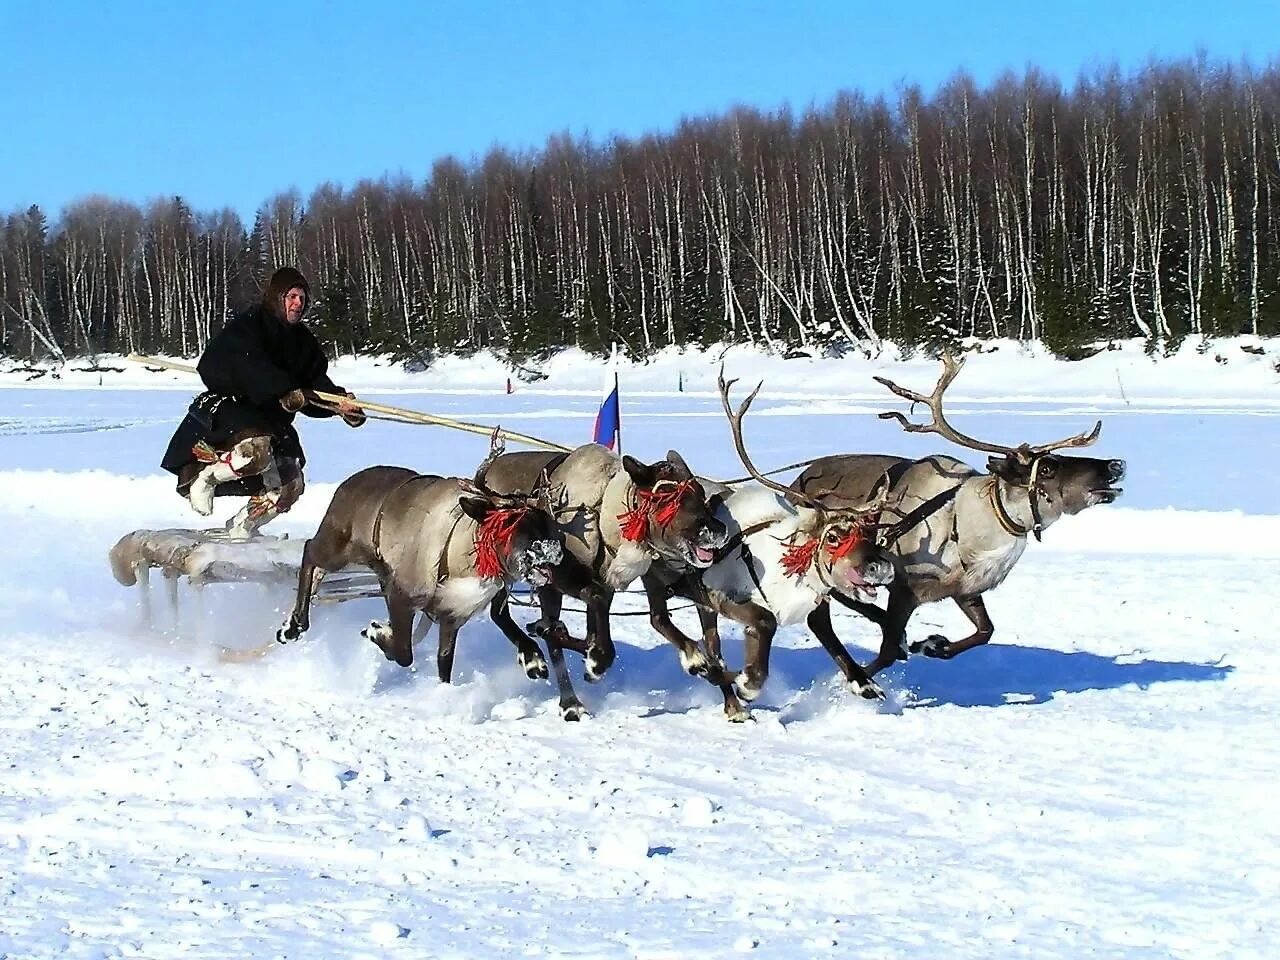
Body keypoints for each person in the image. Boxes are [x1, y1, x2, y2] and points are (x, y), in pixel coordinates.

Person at [160, 266, 365, 538]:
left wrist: (339, 404)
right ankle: (203, 477)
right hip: (232, 410)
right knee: (256, 451)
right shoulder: (250, 326)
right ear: (277, 297)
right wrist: (282, 389)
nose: (298, 304)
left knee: (291, 483)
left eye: (303, 299)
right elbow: (240, 364)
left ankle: (243, 526)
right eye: (292, 296)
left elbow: (314, 386)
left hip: (271, 421)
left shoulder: (303, 342)